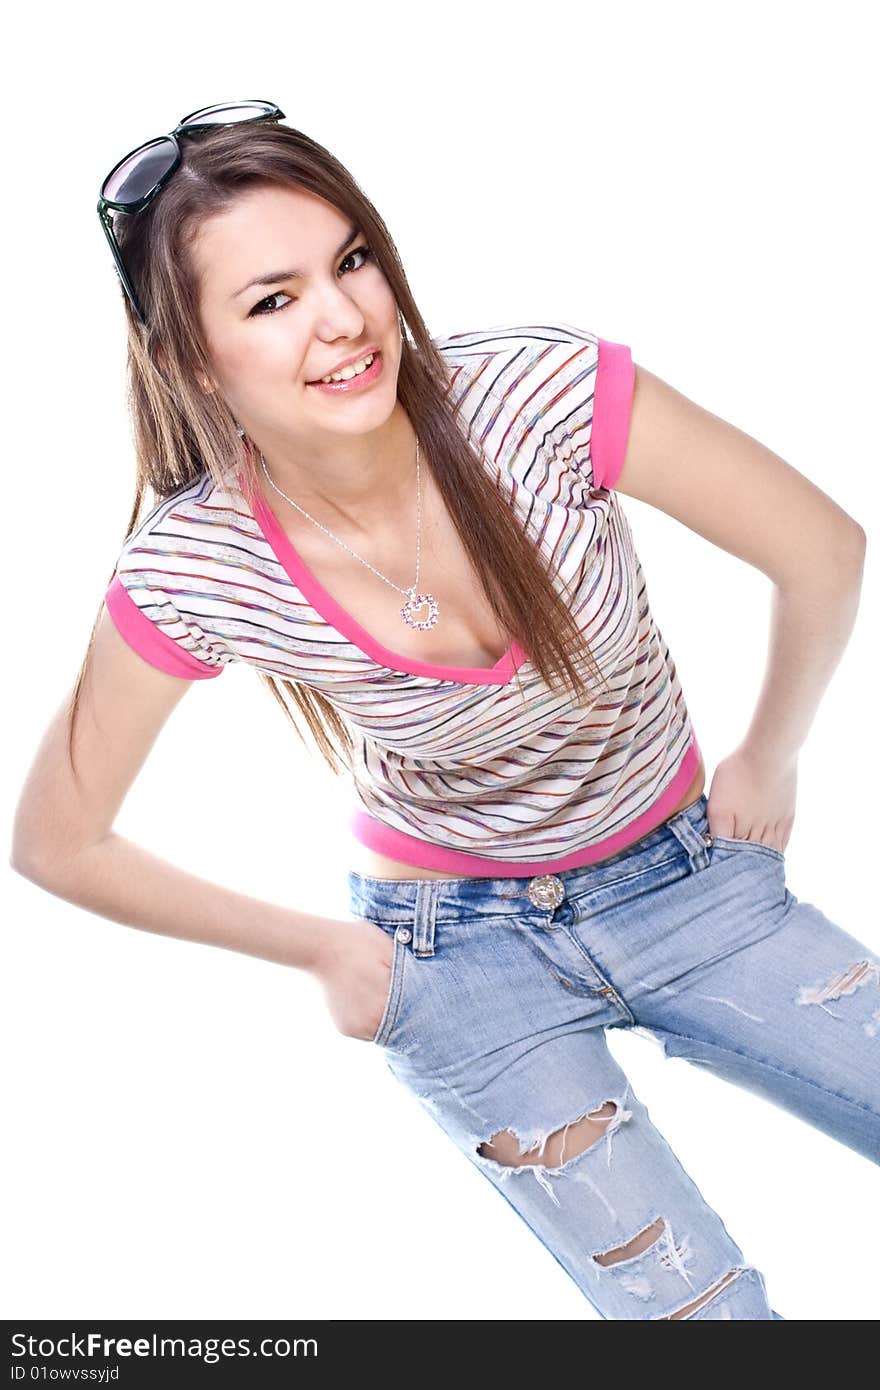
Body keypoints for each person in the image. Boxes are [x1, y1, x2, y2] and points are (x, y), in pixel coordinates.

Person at [11, 99, 878, 1322]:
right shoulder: (198, 567)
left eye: (350, 259)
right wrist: (323, 947)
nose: (343, 318)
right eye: (271, 300)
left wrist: (769, 754)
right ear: (194, 356)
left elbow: (822, 549)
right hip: (455, 955)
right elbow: (55, 839)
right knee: (704, 1322)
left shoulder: (542, 397)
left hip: (690, 881)